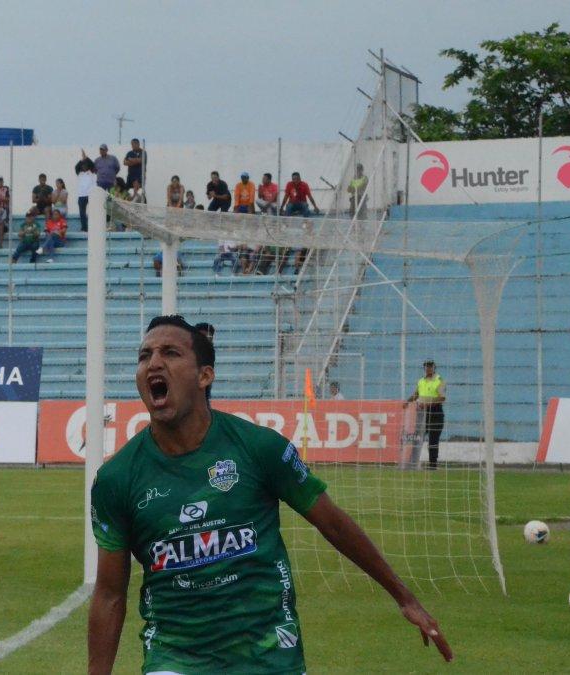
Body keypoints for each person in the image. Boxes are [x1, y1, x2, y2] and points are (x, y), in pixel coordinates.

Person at [88, 315, 451, 674]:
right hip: (174, 658)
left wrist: (405, 598)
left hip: (268, 652)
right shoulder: (117, 478)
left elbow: (334, 525)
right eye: (144, 356)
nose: (154, 363)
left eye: (170, 353)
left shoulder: (257, 448)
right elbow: (109, 593)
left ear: (204, 376)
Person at [404, 359, 446, 470]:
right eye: (426, 367)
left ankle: (433, 465)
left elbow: (442, 398)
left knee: (433, 441)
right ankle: (413, 463)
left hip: (436, 413)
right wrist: (407, 401)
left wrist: (427, 404)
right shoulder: (421, 381)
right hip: (422, 414)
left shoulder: (439, 380)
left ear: (434, 368)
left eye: (430, 366)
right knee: (417, 438)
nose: (428, 368)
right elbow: (416, 394)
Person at [76, 156, 95, 230]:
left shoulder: (91, 172)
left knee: (93, 211)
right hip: (81, 195)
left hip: (91, 195)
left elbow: (92, 164)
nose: (84, 166)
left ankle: (93, 226)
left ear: (88, 166)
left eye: (85, 165)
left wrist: (86, 157)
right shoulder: (79, 173)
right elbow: (76, 166)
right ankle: (84, 227)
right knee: (82, 213)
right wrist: (82, 160)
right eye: (82, 165)